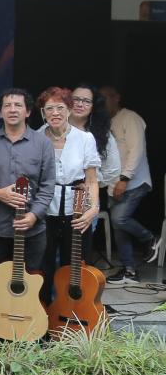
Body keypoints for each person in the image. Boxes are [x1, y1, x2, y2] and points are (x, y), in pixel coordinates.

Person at [0, 89, 55, 288]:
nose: (12, 110)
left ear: (28, 112)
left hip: (33, 230)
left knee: (30, 286)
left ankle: (28, 319)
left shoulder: (43, 143)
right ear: (0, 113)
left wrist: (34, 215)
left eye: (18, 105)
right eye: (7, 106)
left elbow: (47, 185)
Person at [36, 87, 100, 303]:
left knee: (74, 264)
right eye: (49, 109)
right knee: (42, 264)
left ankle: (70, 313)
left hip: (77, 210)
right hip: (45, 209)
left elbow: (91, 179)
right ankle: (43, 312)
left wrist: (93, 209)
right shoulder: (35, 138)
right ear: (42, 112)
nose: (55, 113)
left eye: (60, 108)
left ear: (70, 110)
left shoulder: (85, 138)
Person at [100, 85, 159, 279]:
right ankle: (130, 271)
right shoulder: (106, 122)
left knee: (119, 219)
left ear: (116, 98)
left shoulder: (130, 117)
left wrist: (124, 179)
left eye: (105, 98)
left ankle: (150, 238)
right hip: (114, 185)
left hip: (133, 182)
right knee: (119, 228)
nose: (102, 102)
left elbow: (137, 150)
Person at [70, 83, 121, 262]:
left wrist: (92, 182)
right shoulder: (51, 129)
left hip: (85, 203)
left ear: (93, 107)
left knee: (76, 257)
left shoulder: (102, 135)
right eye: (75, 99)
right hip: (52, 202)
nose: (79, 104)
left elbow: (114, 170)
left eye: (86, 101)